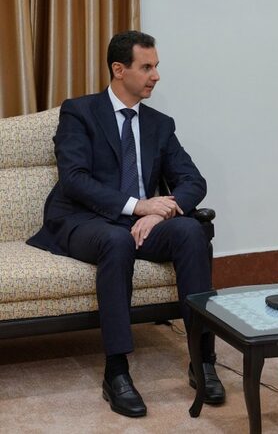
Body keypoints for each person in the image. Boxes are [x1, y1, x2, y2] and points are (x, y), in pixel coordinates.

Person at [27, 30, 225, 418]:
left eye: (156, 67)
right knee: (116, 242)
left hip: (140, 222)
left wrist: (158, 212)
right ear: (119, 70)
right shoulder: (79, 112)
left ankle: (202, 360)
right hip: (82, 221)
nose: (155, 76)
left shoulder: (159, 124)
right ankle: (116, 371)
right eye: (146, 67)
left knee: (190, 231)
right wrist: (138, 206)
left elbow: (192, 181)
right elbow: (75, 179)